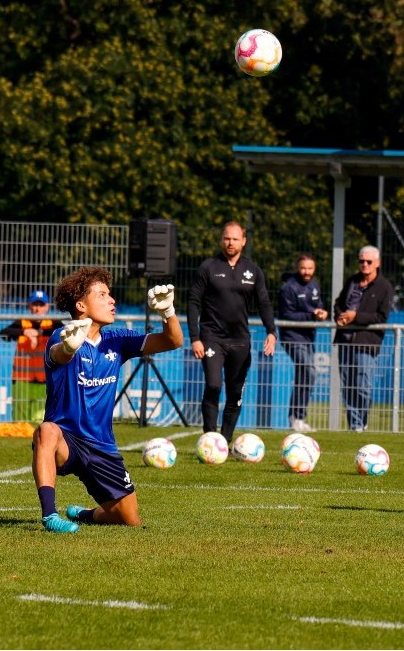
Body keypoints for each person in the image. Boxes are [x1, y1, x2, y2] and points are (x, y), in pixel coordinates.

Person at [31, 267, 182, 533]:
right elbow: (58, 355)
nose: (112, 300)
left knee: (129, 520)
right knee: (46, 431)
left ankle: (85, 514)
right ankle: (50, 516)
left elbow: (173, 341)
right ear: (81, 305)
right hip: (67, 442)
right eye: (102, 295)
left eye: (110, 295)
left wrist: (168, 313)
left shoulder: (118, 340)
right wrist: (69, 347)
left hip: (102, 446)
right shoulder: (62, 336)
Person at [187, 221, 276, 442]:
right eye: (227, 238)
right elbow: (193, 302)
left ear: (243, 241)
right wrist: (195, 337)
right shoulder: (208, 267)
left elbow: (264, 303)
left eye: (235, 239)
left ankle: (224, 441)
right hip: (212, 338)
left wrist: (271, 332)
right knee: (214, 385)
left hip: (240, 342)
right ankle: (209, 438)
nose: (230, 242)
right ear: (221, 239)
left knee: (235, 393)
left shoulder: (253, 270)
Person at [332, 245, 394, 433]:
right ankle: (355, 426)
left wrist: (355, 317)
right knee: (347, 384)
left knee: (363, 386)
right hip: (345, 340)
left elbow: (381, 317)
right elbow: (338, 303)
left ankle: (362, 420)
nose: (365, 265)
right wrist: (340, 317)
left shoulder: (384, 287)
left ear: (377, 263)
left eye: (369, 262)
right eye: (361, 261)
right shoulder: (352, 281)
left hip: (367, 342)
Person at [277, 253, 328, 433]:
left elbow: (317, 306)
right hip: (292, 337)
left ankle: (297, 418)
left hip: (308, 338)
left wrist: (321, 313)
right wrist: (311, 315)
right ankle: (296, 416)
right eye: (303, 268)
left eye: (310, 268)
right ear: (298, 268)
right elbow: (286, 315)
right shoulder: (288, 288)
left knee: (305, 376)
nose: (306, 271)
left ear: (314, 269)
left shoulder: (314, 285)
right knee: (309, 372)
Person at [0, 289, 63, 423]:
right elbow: (4, 333)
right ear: (29, 306)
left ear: (46, 307)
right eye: (34, 305)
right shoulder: (22, 322)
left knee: (41, 419)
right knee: (20, 418)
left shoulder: (53, 323)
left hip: (44, 379)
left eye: (41, 305)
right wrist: (24, 331)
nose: (37, 309)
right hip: (22, 378)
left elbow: (63, 332)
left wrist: (38, 333)